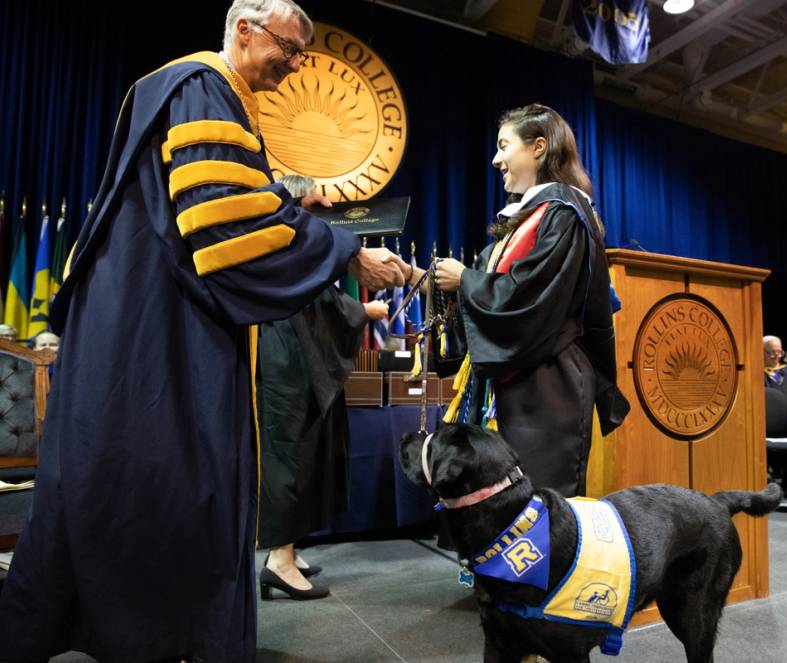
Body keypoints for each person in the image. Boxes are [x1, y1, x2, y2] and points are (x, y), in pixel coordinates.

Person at [0, 1, 405, 661]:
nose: (298, 64)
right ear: (244, 27)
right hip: (158, 336)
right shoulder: (203, 86)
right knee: (164, 485)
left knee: (123, 482)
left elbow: (230, 203)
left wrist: (293, 211)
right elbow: (228, 232)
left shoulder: (203, 96)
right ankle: (161, 638)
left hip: (143, 321)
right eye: (291, 47)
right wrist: (349, 253)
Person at [413, 103, 628, 497]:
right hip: (517, 383)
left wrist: (465, 279)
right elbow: (487, 283)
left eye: (503, 145)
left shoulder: (564, 212)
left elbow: (529, 295)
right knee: (501, 505)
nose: (495, 159)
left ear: (539, 148)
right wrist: (420, 278)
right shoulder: (525, 219)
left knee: (538, 505)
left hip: (549, 383)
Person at [257, 174, 389, 601]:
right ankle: (278, 558)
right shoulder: (279, 239)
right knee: (289, 454)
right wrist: (364, 310)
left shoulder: (299, 240)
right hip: (285, 360)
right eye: (315, 199)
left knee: (306, 452)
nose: (325, 205)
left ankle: (289, 550)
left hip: (300, 359)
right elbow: (312, 299)